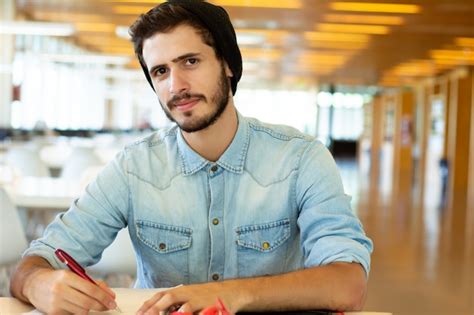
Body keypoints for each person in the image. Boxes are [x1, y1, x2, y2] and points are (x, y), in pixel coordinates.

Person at [10, 0, 373, 314]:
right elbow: (36, 261)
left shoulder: (301, 159)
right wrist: (37, 283)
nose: (176, 86)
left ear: (228, 65)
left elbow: (347, 282)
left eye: (190, 61)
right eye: (161, 71)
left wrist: (227, 295)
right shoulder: (134, 168)